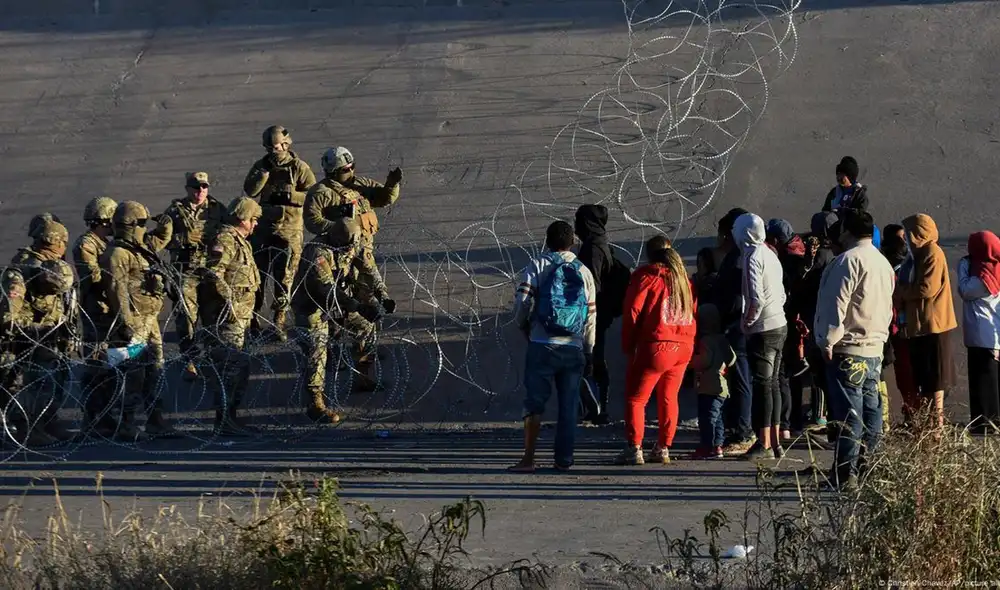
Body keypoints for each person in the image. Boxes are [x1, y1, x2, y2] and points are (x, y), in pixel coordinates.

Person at [813, 209, 894, 491]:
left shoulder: (847, 261)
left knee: (849, 416)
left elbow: (836, 304)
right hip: (874, 347)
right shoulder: (882, 263)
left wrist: (827, 340)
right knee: (872, 412)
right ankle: (870, 467)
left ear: (846, 230)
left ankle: (845, 473)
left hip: (848, 348)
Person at [509, 221, 596, 472]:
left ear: (547, 241)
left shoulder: (538, 264)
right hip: (573, 346)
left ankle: (528, 458)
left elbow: (522, 301)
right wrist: (589, 349)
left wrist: (523, 325)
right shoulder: (584, 271)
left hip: (542, 343)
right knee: (568, 405)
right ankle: (564, 459)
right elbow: (591, 315)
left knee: (534, 402)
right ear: (573, 243)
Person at [303, 146, 401, 361]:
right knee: (339, 304)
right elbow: (311, 221)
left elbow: (384, 198)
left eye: (352, 167)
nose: (351, 172)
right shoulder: (321, 193)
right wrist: (339, 229)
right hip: (338, 255)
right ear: (332, 172)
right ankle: (333, 350)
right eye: (345, 169)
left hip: (362, 253)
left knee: (369, 302)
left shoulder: (361, 184)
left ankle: (364, 351)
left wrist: (392, 184)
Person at [292, 215, 391, 423]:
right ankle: (315, 403)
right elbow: (326, 290)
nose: (350, 251)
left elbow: (368, 268)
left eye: (352, 246)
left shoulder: (352, 243)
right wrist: (358, 306)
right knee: (316, 352)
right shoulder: (318, 252)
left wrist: (382, 295)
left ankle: (362, 375)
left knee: (365, 327)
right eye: (347, 247)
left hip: (341, 303)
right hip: (313, 306)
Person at [616, 236, 696, 465]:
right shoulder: (683, 280)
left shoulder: (647, 276)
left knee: (636, 398)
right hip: (683, 345)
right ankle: (663, 447)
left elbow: (633, 311)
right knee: (669, 397)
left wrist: (628, 344)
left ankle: (634, 447)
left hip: (656, 343)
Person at [100, 201, 176, 441]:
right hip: (134, 322)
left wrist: (165, 226)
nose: (145, 228)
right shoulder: (118, 254)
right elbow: (117, 289)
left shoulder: (138, 248)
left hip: (149, 320)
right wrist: (126, 322)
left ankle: (155, 419)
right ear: (130, 225)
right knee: (133, 374)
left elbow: (159, 240)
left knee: (155, 369)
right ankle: (127, 424)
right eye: (141, 223)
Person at [3, 219, 76, 446]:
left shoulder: (51, 266)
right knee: (30, 387)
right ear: (55, 242)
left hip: (48, 337)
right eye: (63, 242)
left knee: (51, 382)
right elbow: (8, 317)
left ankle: (47, 422)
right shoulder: (23, 272)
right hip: (26, 341)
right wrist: (33, 330)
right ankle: (29, 430)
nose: (64, 246)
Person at [244, 125, 317, 342]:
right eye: (269, 148)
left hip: (289, 230)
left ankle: (279, 320)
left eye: (276, 147)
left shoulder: (299, 167)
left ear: (286, 145)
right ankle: (254, 320)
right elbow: (250, 191)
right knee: (257, 276)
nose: (273, 152)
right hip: (263, 228)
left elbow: (313, 195)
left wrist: (292, 196)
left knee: (285, 278)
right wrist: (263, 176)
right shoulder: (261, 165)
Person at [199, 197, 263, 435]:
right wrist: (231, 304)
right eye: (253, 219)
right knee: (229, 370)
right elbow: (213, 274)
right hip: (228, 318)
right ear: (243, 218)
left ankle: (231, 417)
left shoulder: (240, 241)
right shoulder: (225, 239)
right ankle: (224, 420)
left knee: (240, 369)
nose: (255, 224)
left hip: (241, 317)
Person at [895, 213, 958, 431]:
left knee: (935, 378)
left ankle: (936, 426)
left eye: (909, 233)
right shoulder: (916, 256)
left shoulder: (932, 253)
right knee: (924, 378)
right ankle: (929, 424)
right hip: (920, 326)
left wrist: (901, 293)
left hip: (934, 326)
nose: (906, 238)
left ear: (919, 233)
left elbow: (926, 288)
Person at [162, 172, 226, 380]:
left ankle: (211, 356)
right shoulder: (174, 211)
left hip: (210, 271)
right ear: (187, 189)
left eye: (204, 187)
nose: (200, 191)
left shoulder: (218, 209)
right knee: (187, 317)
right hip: (185, 271)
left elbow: (230, 232)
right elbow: (161, 240)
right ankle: (189, 358)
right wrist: (183, 239)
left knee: (212, 315)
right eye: (196, 187)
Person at [733, 213, 787, 460]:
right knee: (773, 384)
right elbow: (781, 294)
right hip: (779, 324)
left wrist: (746, 322)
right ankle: (776, 442)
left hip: (763, 329)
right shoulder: (770, 254)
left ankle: (763, 443)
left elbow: (756, 299)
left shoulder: (752, 256)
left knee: (763, 385)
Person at [73, 196, 119, 436]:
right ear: (104, 220)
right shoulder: (86, 244)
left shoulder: (106, 243)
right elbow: (95, 277)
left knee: (110, 367)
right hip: (96, 313)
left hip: (108, 311)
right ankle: (92, 420)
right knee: (96, 366)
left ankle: (106, 416)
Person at [572, 204, 622, 424]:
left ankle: (598, 409)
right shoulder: (599, 243)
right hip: (598, 313)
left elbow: (591, 286)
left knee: (591, 360)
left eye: (578, 220)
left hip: (593, 315)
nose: (576, 225)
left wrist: (585, 314)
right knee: (593, 358)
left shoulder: (593, 248)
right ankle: (597, 408)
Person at [712, 207, 756, 455]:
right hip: (738, 324)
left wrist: (727, 316)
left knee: (741, 380)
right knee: (740, 379)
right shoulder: (745, 255)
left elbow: (738, 296)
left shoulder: (739, 258)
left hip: (737, 325)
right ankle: (739, 427)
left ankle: (743, 432)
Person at [766, 218, 809, 438]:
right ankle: (795, 421)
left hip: (787, 321)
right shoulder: (803, 253)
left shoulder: (783, 261)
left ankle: (784, 423)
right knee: (795, 374)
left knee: (781, 372)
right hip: (801, 322)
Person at [957, 231, 1000, 434]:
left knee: (984, 382)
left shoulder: (985, 276)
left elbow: (965, 290)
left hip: (982, 335)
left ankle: (985, 423)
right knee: (989, 379)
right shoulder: (994, 268)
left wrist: (962, 268)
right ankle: (989, 421)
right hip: (990, 334)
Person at [881, 224, 919, 423]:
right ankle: (912, 413)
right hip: (902, 328)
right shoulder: (905, 267)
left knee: (904, 373)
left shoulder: (886, 265)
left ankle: (909, 413)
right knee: (907, 372)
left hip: (896, 328)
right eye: (902, 238)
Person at [690, 303, 735, 459]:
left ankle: (707, 446)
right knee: (718, 418)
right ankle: (718, 446)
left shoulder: (706, 341)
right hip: (722, 387)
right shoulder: (723, 339)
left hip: (708, 387)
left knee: (707, 418)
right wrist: (723, 365)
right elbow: (732, 358)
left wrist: (691, 361)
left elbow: (704, 360)